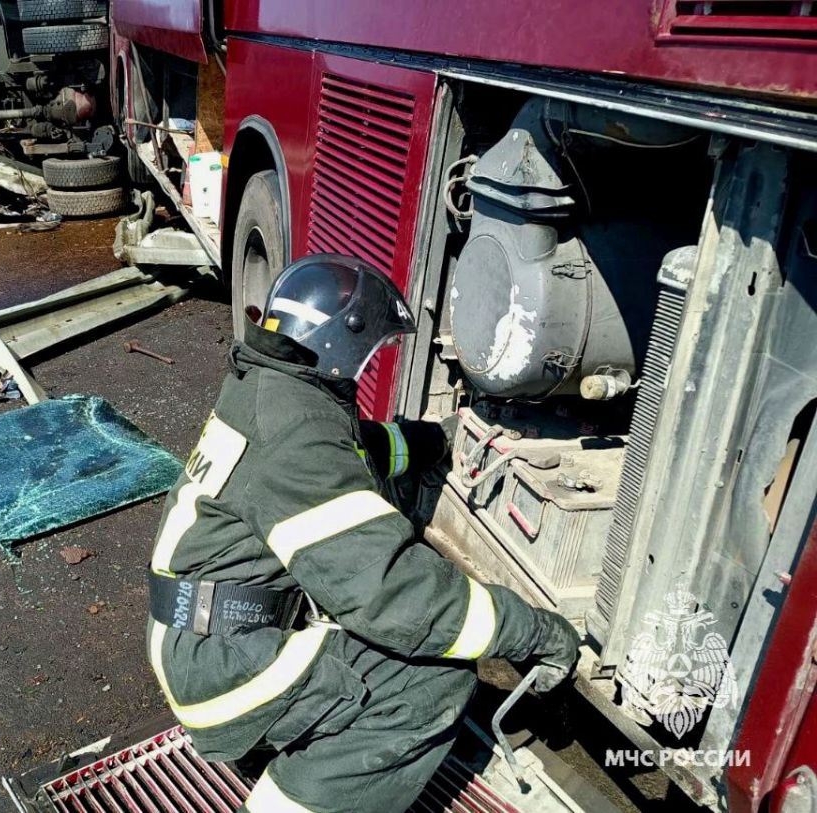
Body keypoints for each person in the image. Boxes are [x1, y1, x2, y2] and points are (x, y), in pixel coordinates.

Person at [146, 253, 581, 812]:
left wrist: (433, 442)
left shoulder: (267, 386)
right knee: (429, 686)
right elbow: (392, 595)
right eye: (371, 352)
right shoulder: (297, 435)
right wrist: (535, 633)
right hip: (220, 663)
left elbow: (353, 453)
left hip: (194, 629)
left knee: (369, 643)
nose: (367, 367)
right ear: (340, 343)